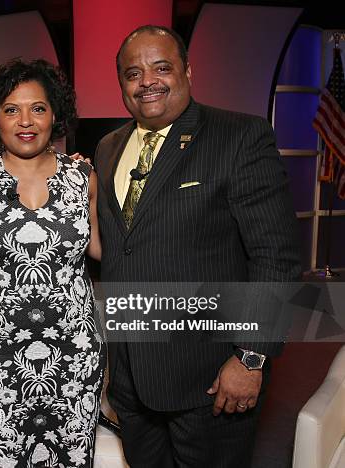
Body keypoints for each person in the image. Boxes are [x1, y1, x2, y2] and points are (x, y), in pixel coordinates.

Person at [94, 25, 301, 467]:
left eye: (161, 67)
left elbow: (276, 258)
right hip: (130, 379)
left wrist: (250, 358)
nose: (146, 81)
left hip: (210, 379)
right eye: (133, 73)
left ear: (188, 71)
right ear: (122, 85)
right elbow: (120, 248)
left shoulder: (240, 137)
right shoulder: (108, 147)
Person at [0, 59, 106, 467]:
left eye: (38, 108)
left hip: (74, 352)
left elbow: (106, 250)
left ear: (55, 115)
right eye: (11, 109)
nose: (25, 121)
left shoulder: (82, 177)